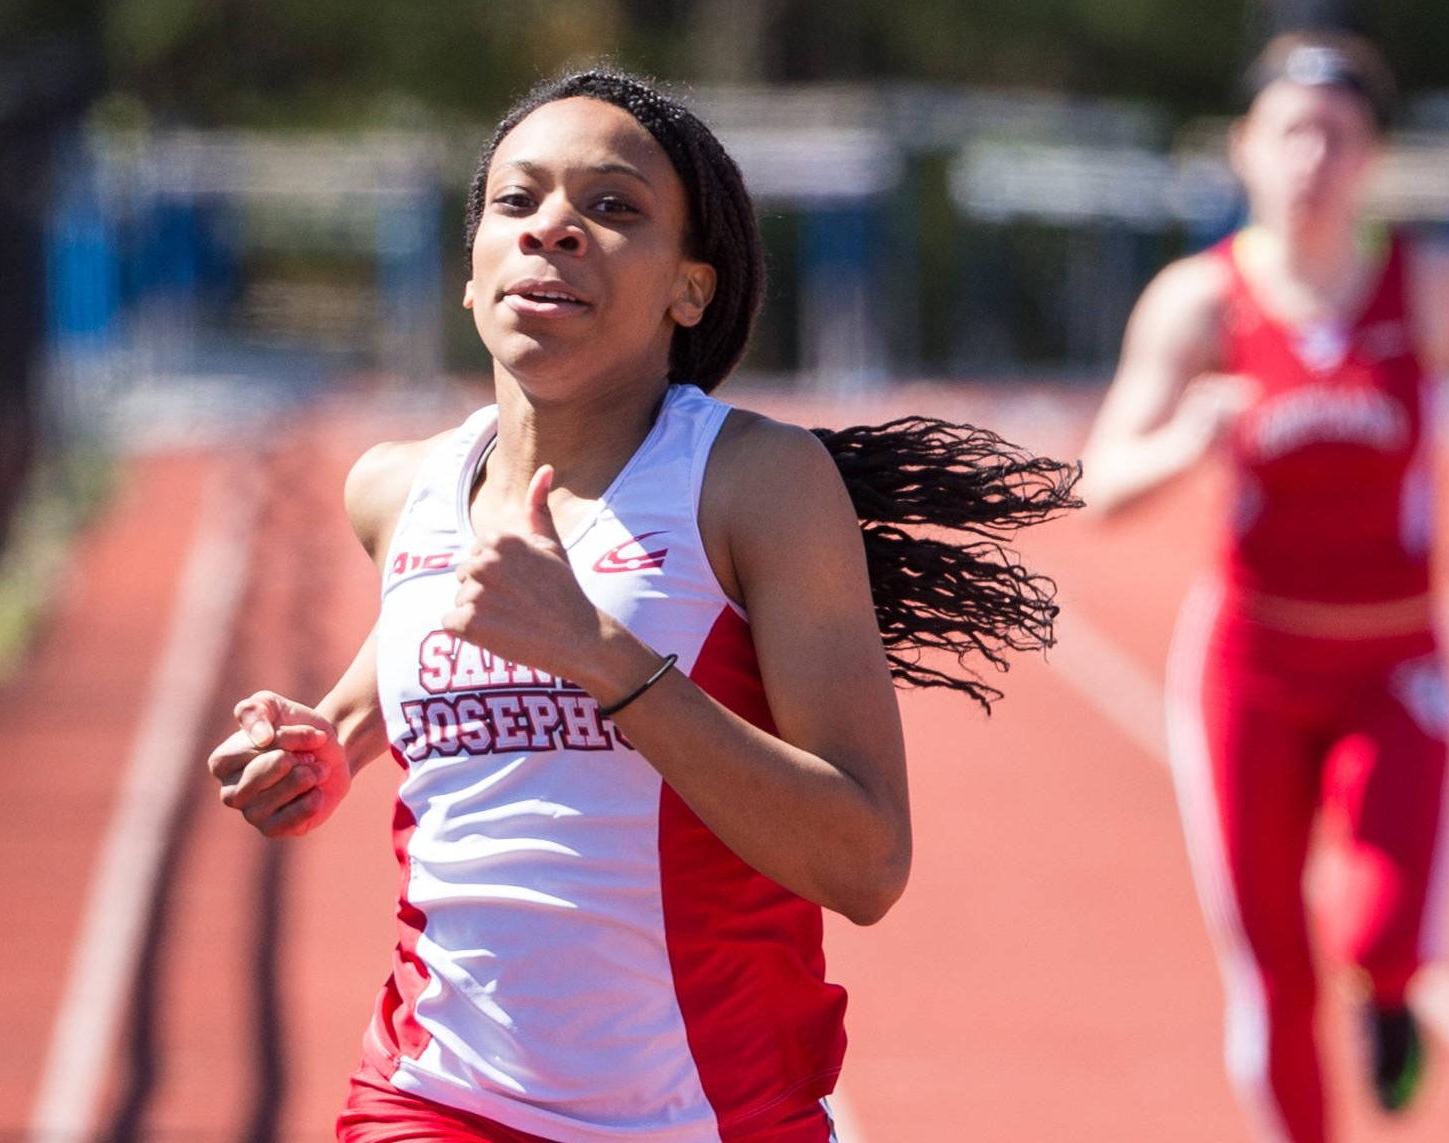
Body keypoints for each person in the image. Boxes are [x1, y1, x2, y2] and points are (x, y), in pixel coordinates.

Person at [204, 70, 1075, 1143]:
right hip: (432, 1099)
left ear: (689, 291)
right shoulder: (397, 490)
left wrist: (604, 657)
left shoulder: (755, 485)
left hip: (708, 1117)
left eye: (612, 208)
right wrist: (323, 740)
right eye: (516, 203)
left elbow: (865, 863)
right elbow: (428, 636)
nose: (554, 229)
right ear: (470, 277)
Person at [1079, 30, 1449, 1143]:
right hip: (1251, 664)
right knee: (1271, 963)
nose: (1310, 159)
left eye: (1335, 137)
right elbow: (1095, 481)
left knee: (1378, 930)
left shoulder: (1438, 285)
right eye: (1288, 133)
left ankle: (1388, 1002)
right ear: (1244, 148)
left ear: (1370, 154)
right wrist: (1188, 438)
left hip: (1395, 659)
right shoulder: (1200, 302)